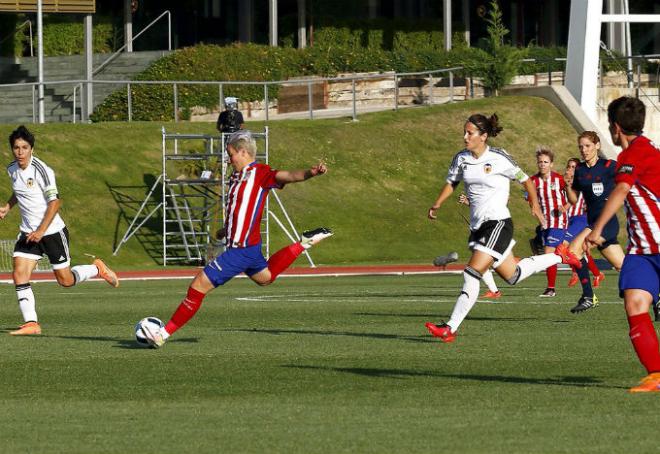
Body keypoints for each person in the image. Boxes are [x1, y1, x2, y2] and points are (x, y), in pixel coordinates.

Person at [141, 130, 333, 348]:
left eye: (231, 154)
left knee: (197, 287)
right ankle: (304, 242)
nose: (229, 159)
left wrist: (312, 172)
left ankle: (162, 334)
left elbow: (289, 176)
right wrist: (225, 230)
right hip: (247, 248)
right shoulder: (235, 177)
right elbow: (237, 210)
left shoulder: (261, 173)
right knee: (265, 278)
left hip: (240, 251)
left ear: (243, 152)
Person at [425, 113, 581, 343]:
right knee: (513, 275)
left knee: (471, 272)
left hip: (498, 223)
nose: (465, 136)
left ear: (484, 136)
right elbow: (452, 182)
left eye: (470, 133)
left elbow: (525, 179)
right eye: (464, 132)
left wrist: (535, 205)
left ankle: (450, 327)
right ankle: (560, 256)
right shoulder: (461, 159)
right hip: (479, 227)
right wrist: (438, 203)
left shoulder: (499, 158)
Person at [0, 126, 119, 336]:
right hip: (28, 233)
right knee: (19, 273)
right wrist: (8, 207)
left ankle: (96, 268)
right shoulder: (12, 169)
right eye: (16, 148)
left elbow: (55, 203)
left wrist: (41, 230)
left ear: (32, 149)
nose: (20, 152)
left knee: (65, 281)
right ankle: (31, 323)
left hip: (52, 232)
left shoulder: (42, 170)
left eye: (24, 148)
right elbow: (19, 192)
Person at [584, 96, 660, 392]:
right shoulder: (648, 151)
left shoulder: (633, 155)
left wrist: (597, 229)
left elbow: (622, 189)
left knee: (637, 305)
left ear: (616, 128)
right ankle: (656, 375)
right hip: (642, 250)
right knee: (635, 303)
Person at [565, 131, 626, 313]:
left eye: (588, 146)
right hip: (592, 222)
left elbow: (627, 184)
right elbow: (574, 200)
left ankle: (588, 296)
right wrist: (568, 186)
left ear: (597, 146)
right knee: (623, 267)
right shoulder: (580, 171)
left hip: (606, 223)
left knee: (572, 251)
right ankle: (657, 297)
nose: (584, 150)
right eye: (581, 147)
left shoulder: (609, 166)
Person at [530, 147, 569, 297]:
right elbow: (531, 201)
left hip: (558, 221)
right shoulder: (533, 181)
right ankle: (579, 265)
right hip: (545, 223)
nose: (542, 164)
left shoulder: (559, 179)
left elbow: (573, 196)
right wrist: (538, 215)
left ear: (551, 164)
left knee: (548, 253)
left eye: (546, 162)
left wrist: (565, 207)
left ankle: (551, 288)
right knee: (558, 254)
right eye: (540, 162)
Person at [563, 157, 603, 289]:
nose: (570, 169)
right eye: (569, 166)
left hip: (581, 218)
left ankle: (576, 272)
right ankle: (597, 274)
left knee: (565, 246)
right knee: (581, 250)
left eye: (573, 167)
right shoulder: (565, 182)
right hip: (570, 219)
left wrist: (565, 207)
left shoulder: (581, 181)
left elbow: (573, 201)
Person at [457, 192, 502, 299]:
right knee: (484, 263)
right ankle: (494, 291)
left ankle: (490, 290)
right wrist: (466, 201)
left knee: (479, 263)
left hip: (485, 230)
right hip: (479, 230)